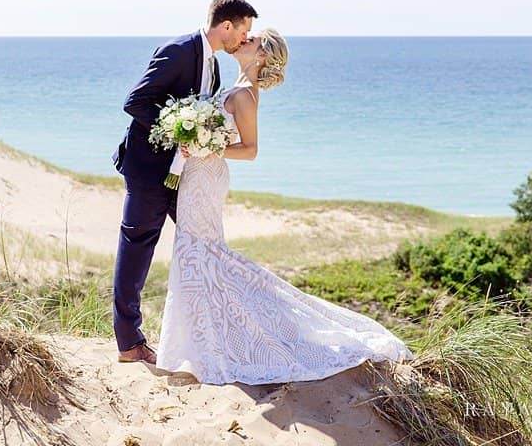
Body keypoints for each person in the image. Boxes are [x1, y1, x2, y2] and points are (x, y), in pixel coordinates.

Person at [156, 28, 413, 384]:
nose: (244, 40)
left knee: (201, 250)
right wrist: (193, 143)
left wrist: (209, 147)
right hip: (198, 173)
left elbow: (250, 149)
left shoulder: (246, 95)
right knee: (197, 251)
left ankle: (209, 347)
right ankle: (199, 344)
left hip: (208, 176)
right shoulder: (235, 85)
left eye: (253, 40)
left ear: (262, 56)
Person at [111, 0, 257, 364]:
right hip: (149, 170)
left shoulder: (215, 68)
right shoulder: (179, 50)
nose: (244, 39)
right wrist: (182, 132)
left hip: (184, 176)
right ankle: (129, 343)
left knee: (205, 246)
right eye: (244, 31)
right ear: (227, 25)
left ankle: (221, 334)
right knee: (138, 246)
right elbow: (136, 102)